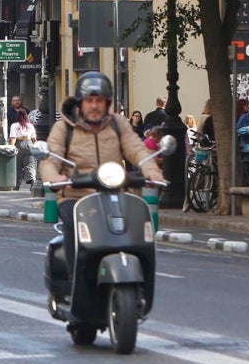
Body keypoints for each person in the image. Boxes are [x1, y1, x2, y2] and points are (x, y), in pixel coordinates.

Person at [43, 72, 161, 275]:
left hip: (114, 194)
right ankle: (75, 278)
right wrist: (54, 177)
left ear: (107, 103)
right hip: (76, 196)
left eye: (99, 100)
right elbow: (50, 159)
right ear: (80, 102)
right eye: (89, 100)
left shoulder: (118, 124)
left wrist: (151, 171)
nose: (94, 106)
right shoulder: (64, 128)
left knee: (136, 228)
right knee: (73, 224)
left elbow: (137, 149)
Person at [10, 108, 37, 189]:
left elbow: (13, 138)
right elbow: (33, 139)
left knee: (17, 165)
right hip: (29, 144)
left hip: (19, 144)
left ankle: (17, 184)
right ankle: (32, 181)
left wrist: (11, 147)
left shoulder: (14, 125)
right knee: (30, 164)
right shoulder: (30, 126)